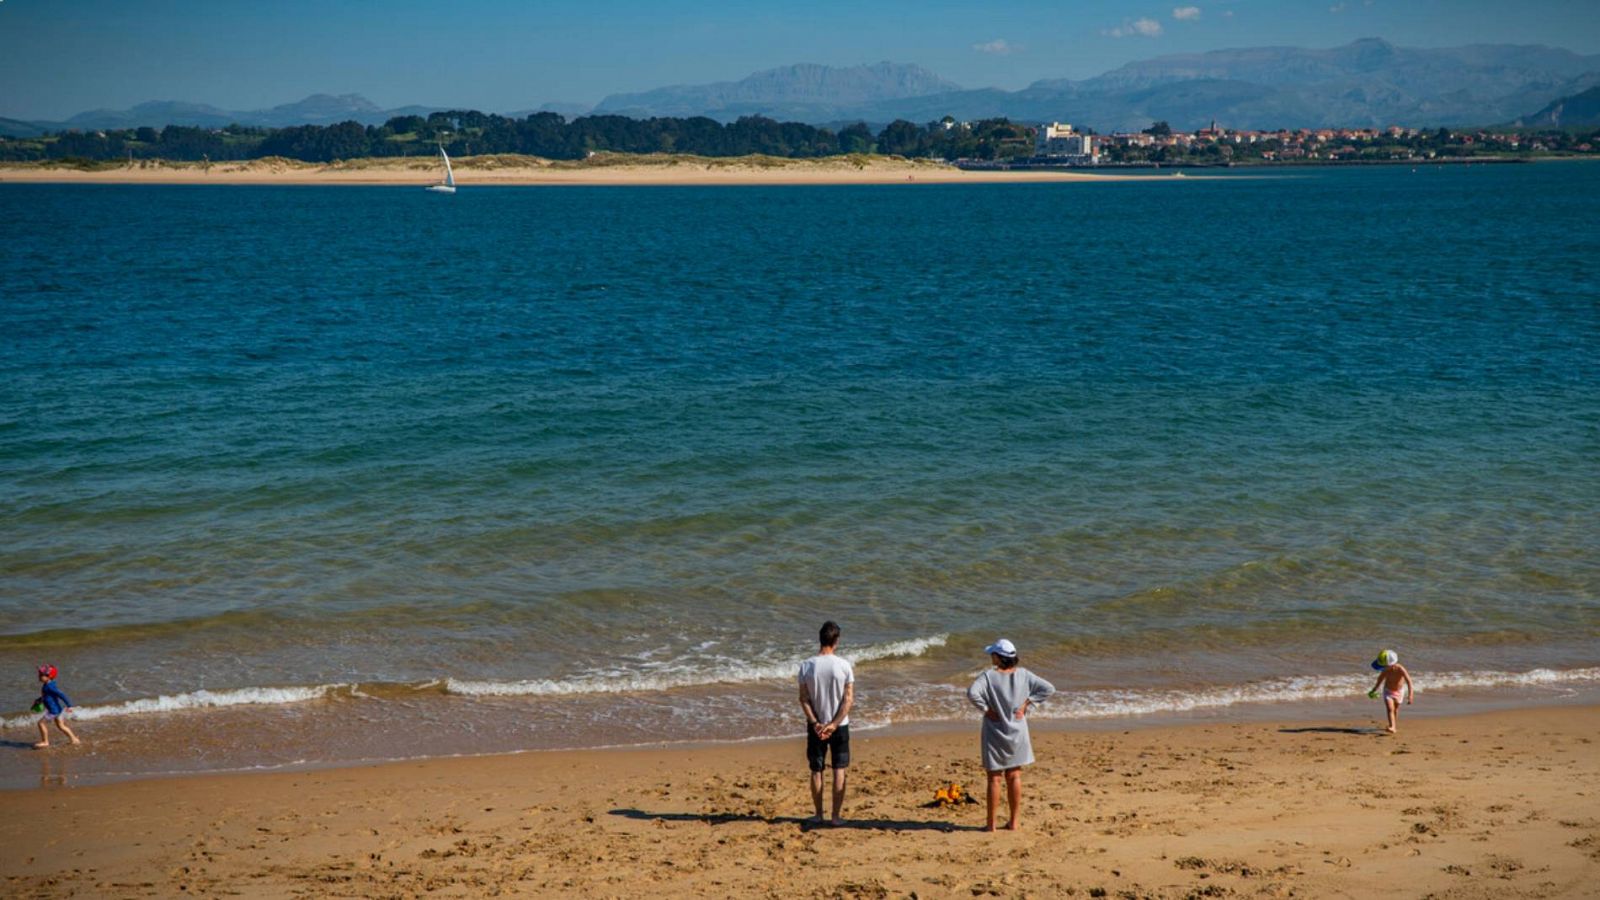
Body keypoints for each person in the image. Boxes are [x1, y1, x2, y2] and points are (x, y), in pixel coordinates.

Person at [967, 639, 1054, 832]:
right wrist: (1028, 703)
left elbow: (972, 693)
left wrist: (986, 709)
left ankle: (991, 825)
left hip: (995, 730)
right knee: (1014, 775)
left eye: (993, 654)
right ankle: (1014, 822)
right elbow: (1048, 688)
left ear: (999, 657)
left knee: (994, 778)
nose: (991, 657)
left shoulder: (988, 676)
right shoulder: (1024, 675)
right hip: (1018, 730)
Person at [798, 620, 854, 826]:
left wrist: (816, 723)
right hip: (839, 725)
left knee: (816, 769)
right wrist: (835, 723)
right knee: (839, 769)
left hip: (817, 725)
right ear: (836, 641)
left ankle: (819, 814)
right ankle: (836, 817)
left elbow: (803, 699)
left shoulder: (806, 666)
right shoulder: (844, 665)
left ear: (820, 639)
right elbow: (848, 700)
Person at [33, 664, 81, 748]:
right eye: (39, 674)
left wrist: (69, 706)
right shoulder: (48, 685)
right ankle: (74, 739)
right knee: (61, 726)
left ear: (49, 676)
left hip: (53, 711)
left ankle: (45, 742)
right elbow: (48, 696)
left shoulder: (50, 687)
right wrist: (40, 700)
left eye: (41, 675)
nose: (39, 676)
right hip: (57, 710)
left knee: (40, 723)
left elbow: (61, 695)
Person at [1368, 649, 1414, 734]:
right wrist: (1374, 689)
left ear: (1390, 664)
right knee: (1390, 709)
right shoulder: (1385, 670)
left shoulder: (1401, 669)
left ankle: (1394, 725)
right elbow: (1380, 679)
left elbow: (1409, 681)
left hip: (1399, 692)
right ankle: (1392, 726)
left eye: (1384, 666)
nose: (1383, 668)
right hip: (1388, 691)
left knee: (1395, 710)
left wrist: (1410, 695)